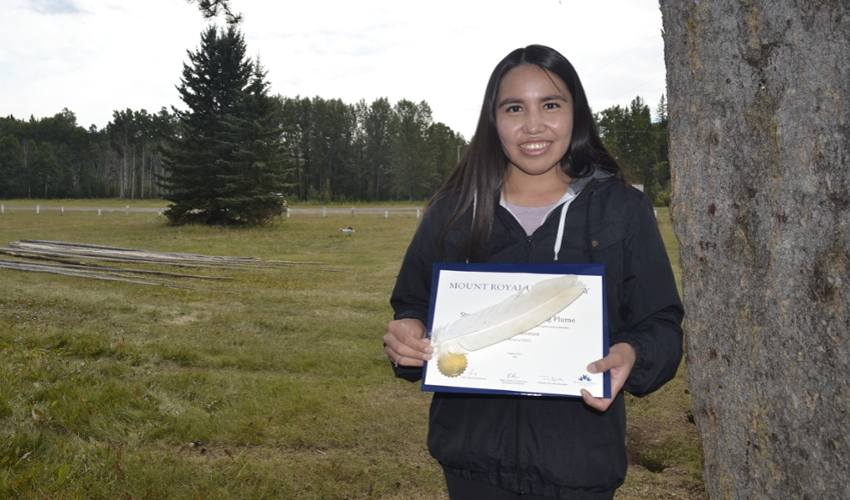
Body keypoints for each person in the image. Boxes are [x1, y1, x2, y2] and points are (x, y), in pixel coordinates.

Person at [382, 44, 683, 500]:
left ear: (576, 113)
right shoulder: (454, 210)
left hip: (579, 463)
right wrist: (406, 336)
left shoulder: (622, 209)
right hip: (473, 462)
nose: (533, 125)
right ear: (493, 120)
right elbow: (412, 305)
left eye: (551, 105)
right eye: (514, 108)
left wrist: (633, 355)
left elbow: (662, 324)